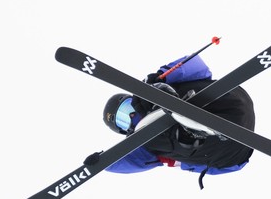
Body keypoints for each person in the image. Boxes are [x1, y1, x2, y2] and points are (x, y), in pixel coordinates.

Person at [101, 54, 255, 189]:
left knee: (157, 94)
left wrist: (161, 76)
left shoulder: (153, 90)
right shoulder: (145, 146)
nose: (132, 115)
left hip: (228, 101)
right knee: (150, 141)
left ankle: (177, 106)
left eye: (127, 109)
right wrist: (102, 162)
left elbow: (197, 66)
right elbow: (129, 160)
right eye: (123, 120)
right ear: (125, 131)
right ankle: (189, 129)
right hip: (229, 152)